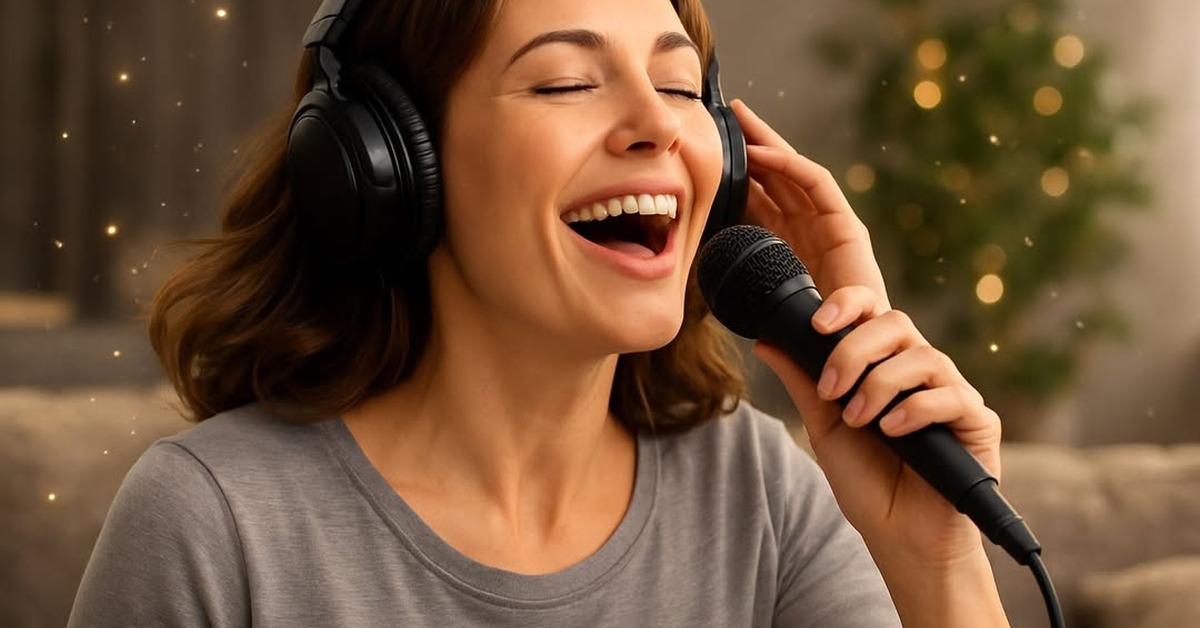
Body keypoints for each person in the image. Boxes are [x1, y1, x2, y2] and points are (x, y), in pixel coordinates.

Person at [69, 0, 1011, 626]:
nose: (656, 122)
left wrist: (936, 562)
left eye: (682, 88)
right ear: (385, 165)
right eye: (565, 81)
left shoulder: (759, 497)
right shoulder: (214, 520)